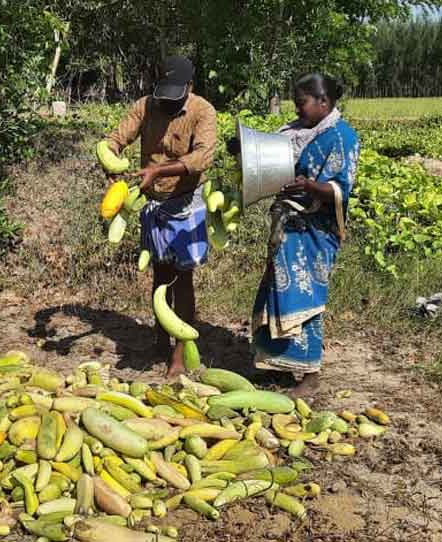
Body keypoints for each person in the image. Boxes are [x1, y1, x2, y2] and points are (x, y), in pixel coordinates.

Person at [244, 73, 360, 396]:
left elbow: (340, 189)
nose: (297, 110)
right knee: (278, 294)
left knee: (306, 297)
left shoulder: (342, 137)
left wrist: (309, 186)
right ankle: (276, 366)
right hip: (287, 226)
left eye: (302, 103)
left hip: (314, 230)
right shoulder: (297, 132)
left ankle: (310, 375)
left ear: (324, 102)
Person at [105, 56, 217, 378]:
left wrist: (159, 170)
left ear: (190, 87)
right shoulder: (145, 105)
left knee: (183, 280)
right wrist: (110, 160)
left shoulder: (202, 111)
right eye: (162, 94)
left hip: (185, 204)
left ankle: (179, 354)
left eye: (174, 96)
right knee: (159, 275)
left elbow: (201, 158)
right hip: (153, 204)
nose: (166, 103)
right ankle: (159, 338)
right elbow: (116, 138)